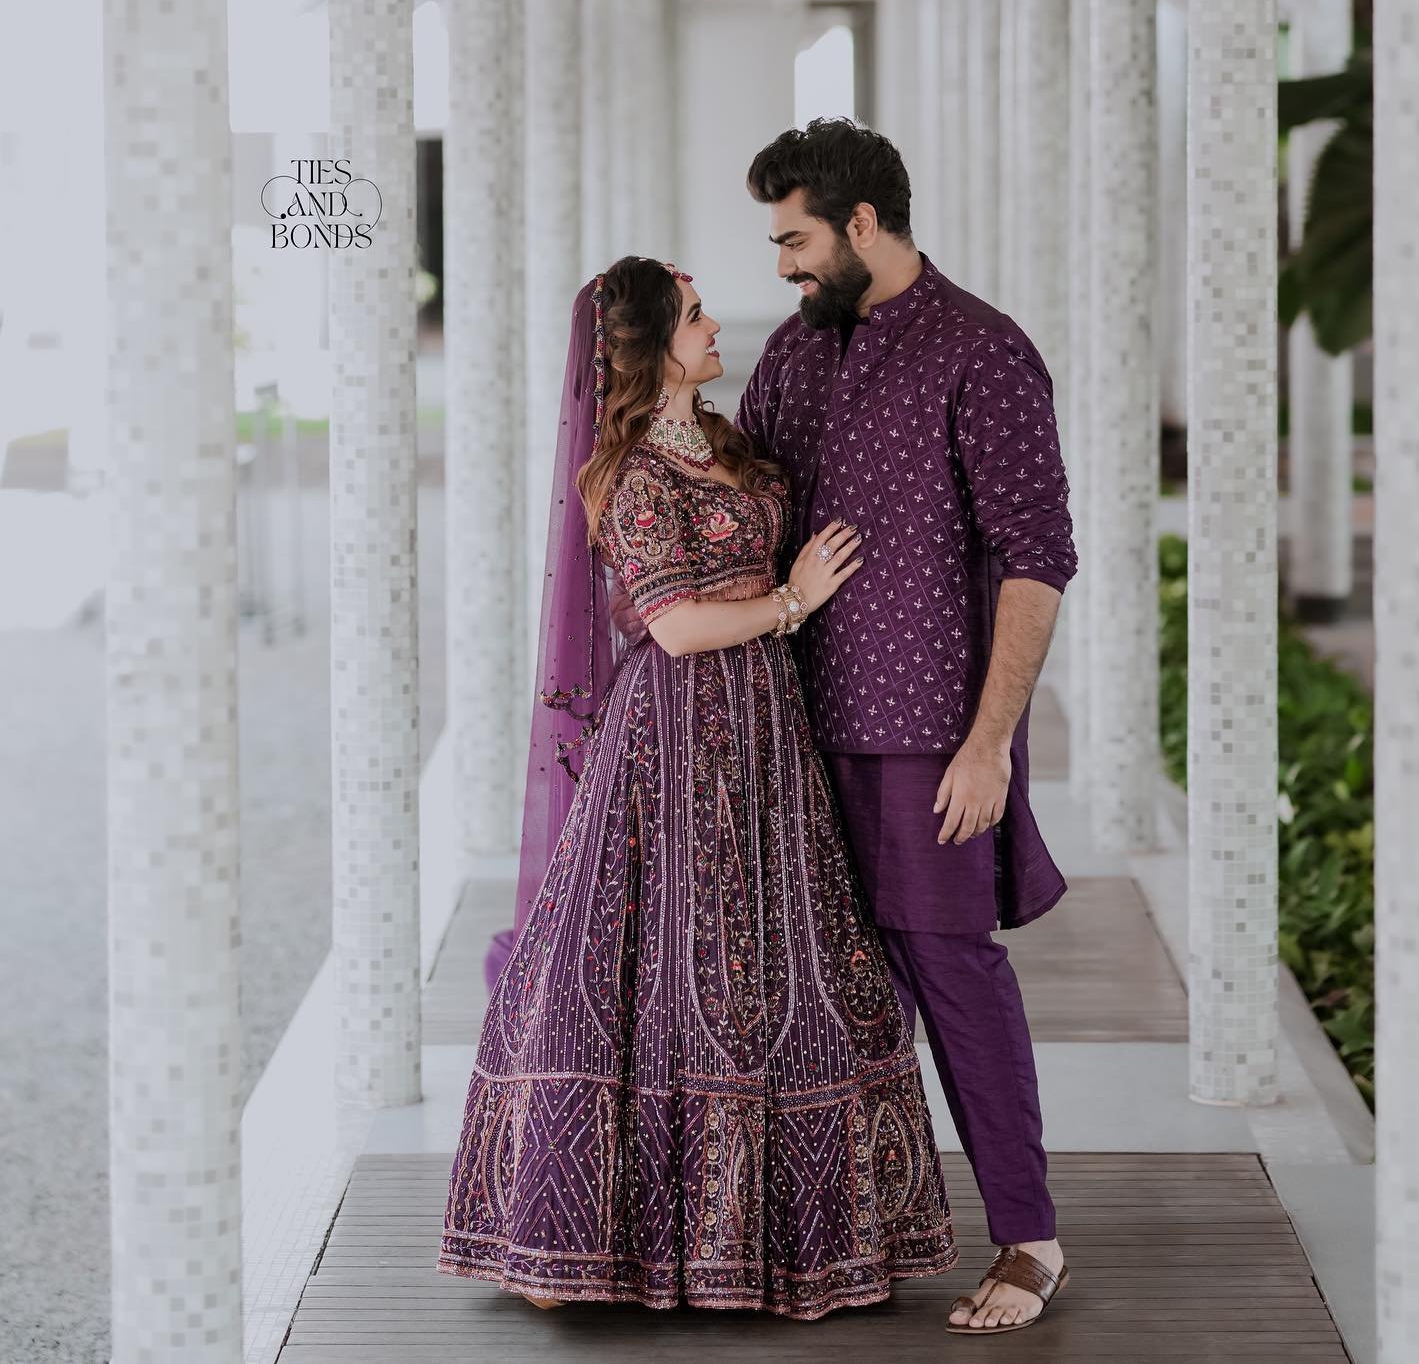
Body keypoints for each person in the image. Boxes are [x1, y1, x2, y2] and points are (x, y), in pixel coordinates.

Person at [436, 256, 959, 1319]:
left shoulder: (727, 443)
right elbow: (673, 628)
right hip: (671, 747)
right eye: (694, 316)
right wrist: (795, 600)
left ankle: (790, 1236)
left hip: (768, 734)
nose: (716, 324)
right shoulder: (627, 475)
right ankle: (604, 1237)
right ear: (649, 347)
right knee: (667, 963)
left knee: (787, 959)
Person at [733, 116, 1077, 1336]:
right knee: (811, 985)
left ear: (863, 222)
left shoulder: (983, 351)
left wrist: (989, 745)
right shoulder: (794, 352)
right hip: (792, 727)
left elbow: (1037, 560)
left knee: (953, 973)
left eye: (795, 240)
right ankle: (834, 1237)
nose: (783, 265)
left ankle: (1030, 1239)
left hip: (930, 733)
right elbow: (745, 505)